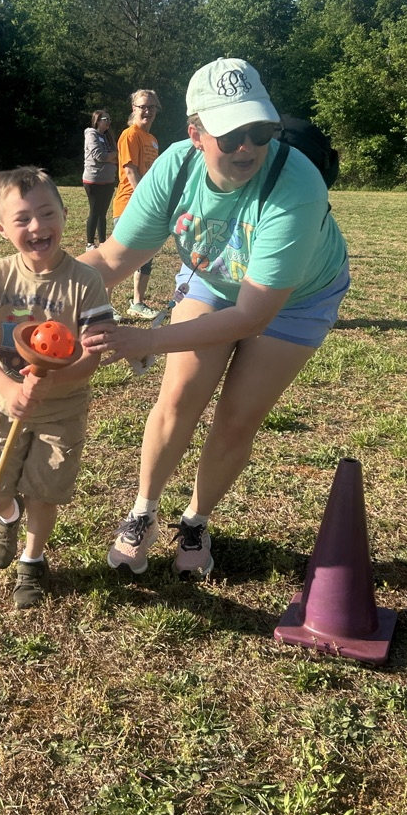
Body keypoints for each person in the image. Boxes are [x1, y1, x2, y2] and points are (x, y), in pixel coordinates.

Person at [79, 57, 350, 578]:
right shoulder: (176, 167)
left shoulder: (297, 185)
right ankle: (143, 513)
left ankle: (196, 521)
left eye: (260, 131)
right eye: (230, 135)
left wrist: (146, 341)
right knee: (180, 395)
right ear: (196, 134)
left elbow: (252, 316)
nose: (247, 147)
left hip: (297, 299)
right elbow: (113, 258)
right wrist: (38, 289)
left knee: (237, 416)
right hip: (214, 273)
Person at [0, 167, 113, 609]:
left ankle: (32, 561)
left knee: (43, 493)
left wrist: (50, 384)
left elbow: (91, 357)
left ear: (65, 215)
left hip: (61, 412)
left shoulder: (86, 281)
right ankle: (7, 517)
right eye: (23, 218)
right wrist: (9, 389)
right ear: (2, 229)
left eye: (47, 214)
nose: (37, 226)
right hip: (5, 406)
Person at [113, 89, 162, 320]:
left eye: (152, 107)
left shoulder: (153, 140)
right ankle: (104, 306)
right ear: (134, 108)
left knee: (145, 256)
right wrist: (146, 200)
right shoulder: (129, 135)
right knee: (118, 258)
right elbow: (130, 171)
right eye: (143, 107)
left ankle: (138, 303)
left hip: (147, 205)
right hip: (129, 205)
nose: (147, 111)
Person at [83, 109, 118, 250]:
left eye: (109, 119)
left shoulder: (108, 136)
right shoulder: (91, 134)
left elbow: (116, 156)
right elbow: (100, 156)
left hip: (108, 181)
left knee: (103, 213)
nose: (109, 121)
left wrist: (111, 156)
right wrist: (112, 155)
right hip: (94, 180)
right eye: (105, 119)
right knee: (95, 211)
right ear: (97, 121)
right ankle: (90, 244)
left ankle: (103, 243)